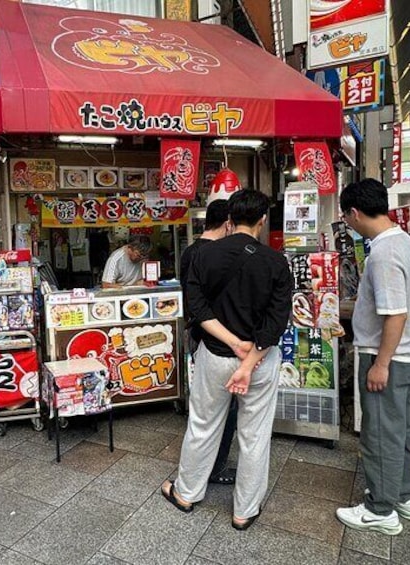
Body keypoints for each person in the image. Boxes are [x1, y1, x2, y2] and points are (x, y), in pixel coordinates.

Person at [162, 189, 292, 531]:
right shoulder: (277, 262)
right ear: (263, 220)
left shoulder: (203, 256)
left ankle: (186, 493)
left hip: (216, 356)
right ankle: (244, 511)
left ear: (230, 220)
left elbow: (197, 309)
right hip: (261, 362)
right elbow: (276, 322)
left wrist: (233, 344)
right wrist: (249, 360)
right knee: (255, 435)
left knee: (203, 425)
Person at [335, 179, 410, 536]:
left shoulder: (383, 253)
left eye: (346, 218)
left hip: (390, 356)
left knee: (380, 434)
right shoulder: (400, 238)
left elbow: (396, 313)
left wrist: (381, 363)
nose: (348, 224)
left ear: (354, 213)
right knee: (404, 428)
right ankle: (405, 495)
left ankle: (380, 509)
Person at [179, 199, 237, 486]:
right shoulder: (217, 254)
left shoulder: (190, 251)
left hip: (198, 335)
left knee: (204, 409)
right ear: (228, 222)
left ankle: (201, 468)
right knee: (224, 408)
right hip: (217, 341)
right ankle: (215, 467)